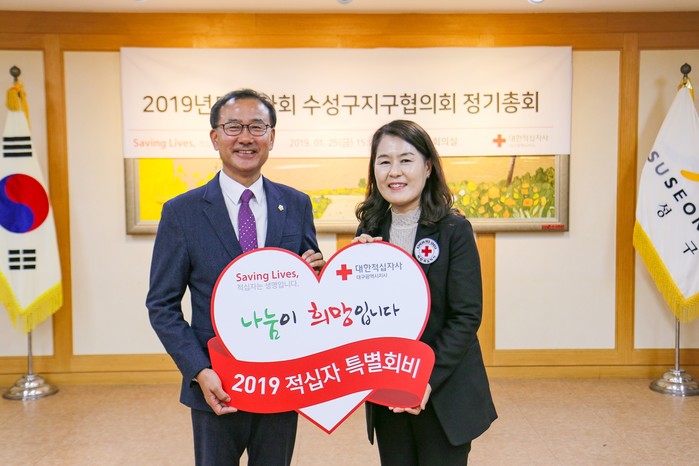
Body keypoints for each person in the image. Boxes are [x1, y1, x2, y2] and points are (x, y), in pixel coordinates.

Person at [146, 88, 325, 466]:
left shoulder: (296, 203)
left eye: (257, 126)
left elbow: (310, 290)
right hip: (216, 383)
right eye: (233, 127)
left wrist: (316, 276)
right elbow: (161, 305)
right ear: (215, 137)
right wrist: (198, 370)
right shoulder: (182, 212)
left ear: (271, 137)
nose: (246, 137)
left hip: (281, 380)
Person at [354, 119, 497, 465]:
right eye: (384, 161)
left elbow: (466, 317)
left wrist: (424, 381)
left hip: (443, 390)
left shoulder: (454, 229)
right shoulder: (370, 231)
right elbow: (358, 316)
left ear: (428, 167)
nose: (395, 172)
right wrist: (353, 269)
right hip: (388, 390)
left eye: (406, 160)